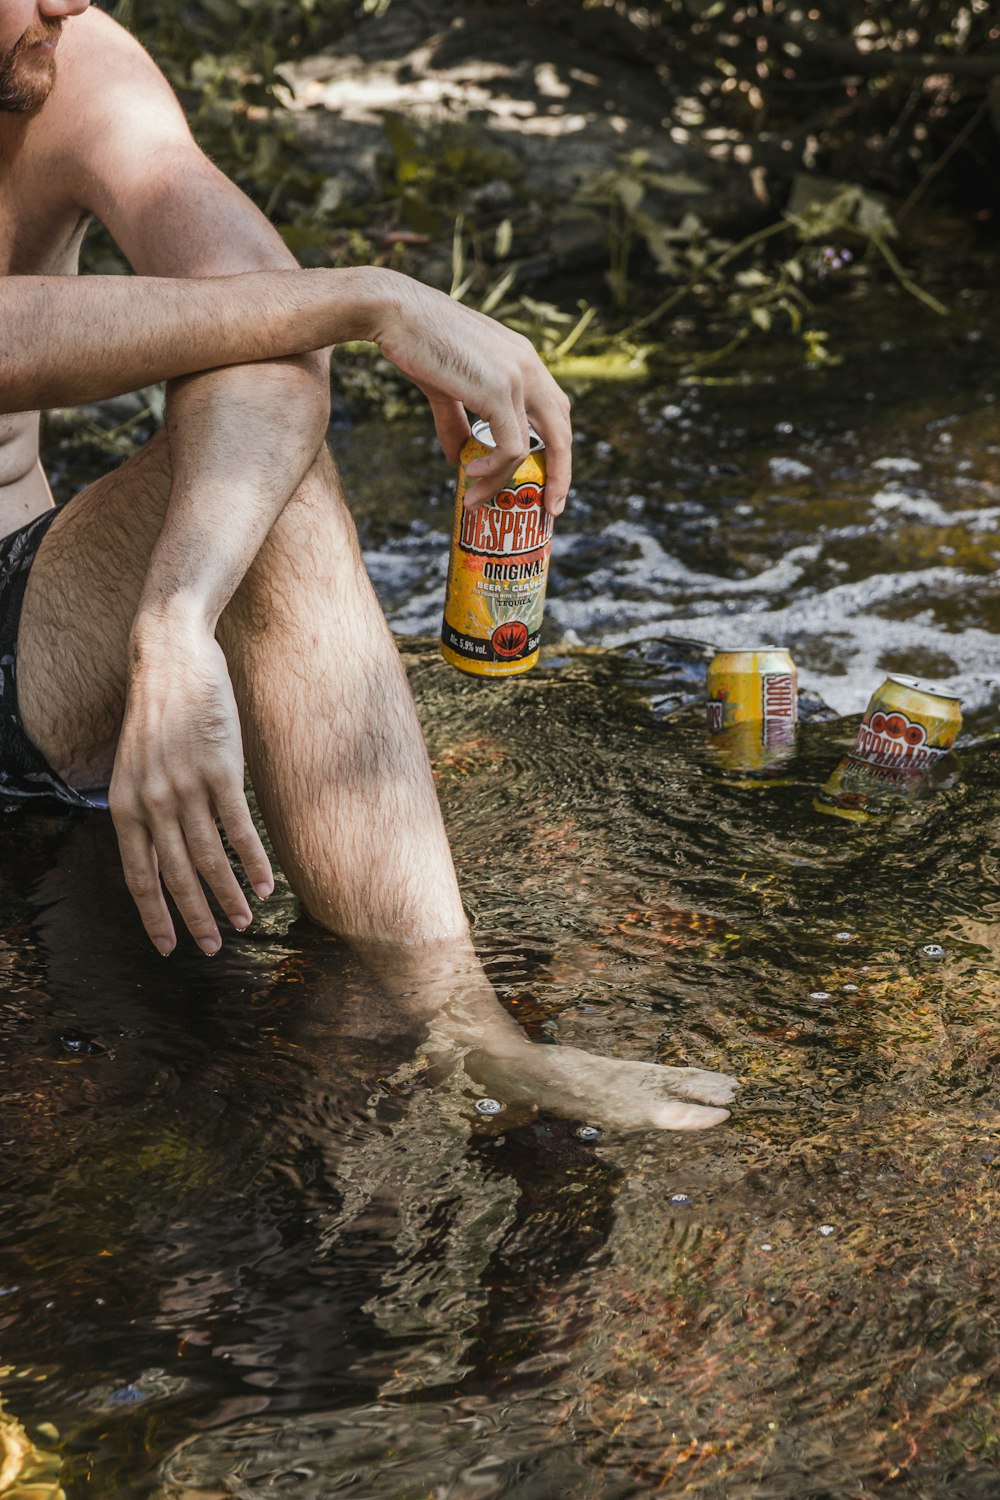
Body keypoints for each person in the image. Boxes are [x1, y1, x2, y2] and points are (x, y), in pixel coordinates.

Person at [0, 0, 737, 1129]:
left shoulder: (70, 62)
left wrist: (175, 620)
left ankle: (461, 1023)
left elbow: (267, 338)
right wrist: (368, 293)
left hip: (25, 631)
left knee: (267, 475)